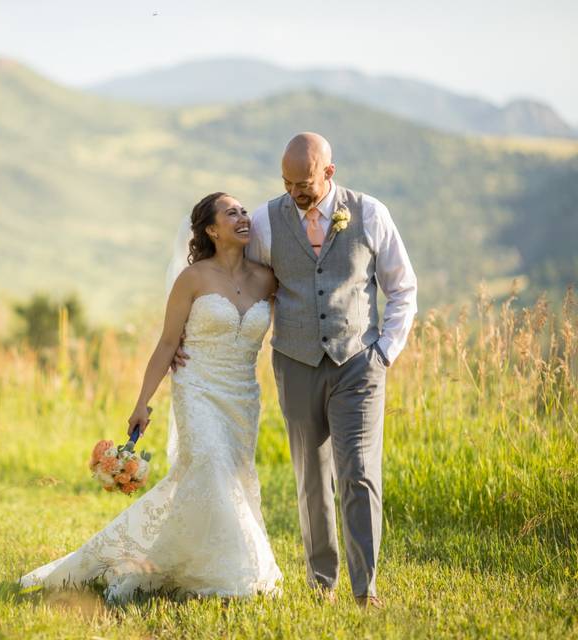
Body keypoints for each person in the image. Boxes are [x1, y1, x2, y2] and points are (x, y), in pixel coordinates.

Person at [175, 132, 418, 609]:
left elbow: (402, 287)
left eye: (303, 183)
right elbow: (237, 278)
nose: (294, 192)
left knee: (360, 473)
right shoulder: (265, 220)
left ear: (329, 172)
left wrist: (385, 350)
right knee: (312, 477)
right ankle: (321, 584)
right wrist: (193, 333)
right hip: (296, 361)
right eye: (286, 182)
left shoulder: (369, 213)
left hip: (358, 363)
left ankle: (365, 589)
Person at [19, 192, 283, 601]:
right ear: (211, 230)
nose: (243, 217)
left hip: (242, 397)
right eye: (231, 213)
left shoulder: (268, 278)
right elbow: (165, 344)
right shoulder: (193, 279)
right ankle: (235, 574)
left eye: (244, 211)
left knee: (231, 478)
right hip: (197, 388)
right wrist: (142, 402)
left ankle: (179, 561)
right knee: (210, 464)